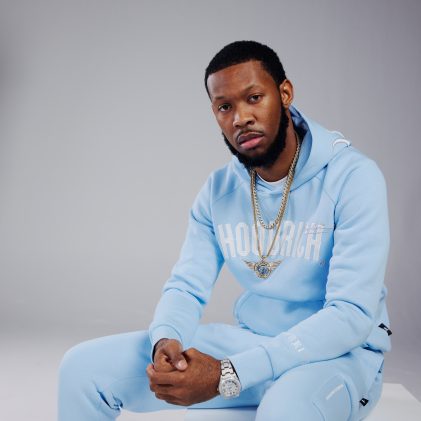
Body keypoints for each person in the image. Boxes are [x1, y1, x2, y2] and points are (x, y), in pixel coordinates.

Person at [58, 40, 392, 421]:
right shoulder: (219, 191)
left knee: (284, 412)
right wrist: (166, 339)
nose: (240, 118)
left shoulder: (353, 178)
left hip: (337, 357)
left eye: (254, 98)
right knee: (80, 370)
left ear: (285, 93)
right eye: (224, 107)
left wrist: (230, 374)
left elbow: (350, 315)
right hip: (251, 345)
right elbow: (186, 287)